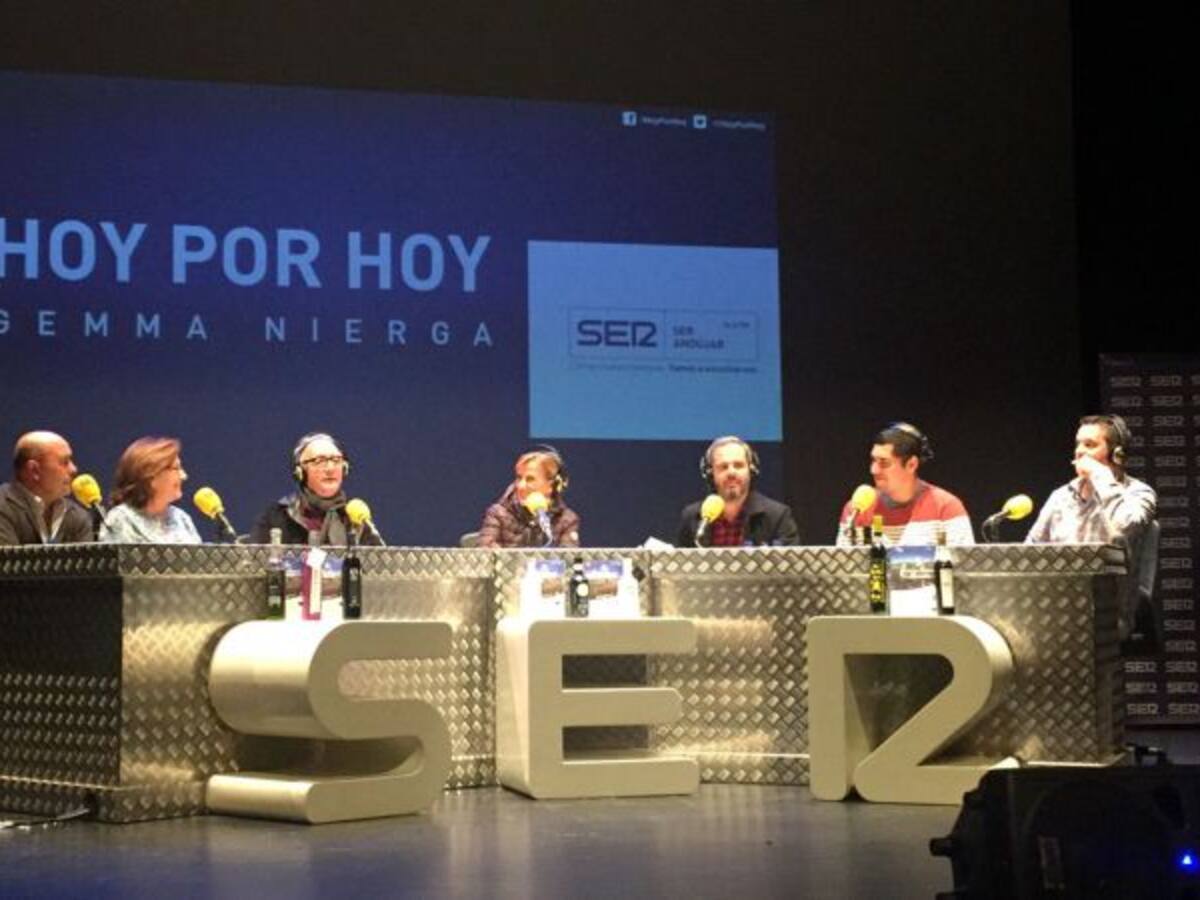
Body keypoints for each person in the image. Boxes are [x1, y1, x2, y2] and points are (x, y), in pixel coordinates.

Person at [1025, 414, 1157, 639]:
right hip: (1056, 613)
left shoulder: (1139, 493)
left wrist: (1100, 476)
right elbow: (1030, 551)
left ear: (1117, 454)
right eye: (1078, 444)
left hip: (1108, 617)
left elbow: (1125, 526)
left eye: (1090, 445)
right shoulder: (1060, 496)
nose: (1079, 452)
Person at [837, 422, 973, 546]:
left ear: (911, 464)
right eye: (873, 460)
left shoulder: (946, 507)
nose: (873, 470)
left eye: (884, 463)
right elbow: (840, 563)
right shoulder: (857, 510)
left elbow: (965, 563)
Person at [249, 432, 384, 545]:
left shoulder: (356, 518)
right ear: (300, 472)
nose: (330, 468)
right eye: (319, 461)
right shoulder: (276, 517)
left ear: (345, 469)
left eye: (336, 460)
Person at [676, 435, 798, 547]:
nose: (731, 473)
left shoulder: (777, 516)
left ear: (751, 470)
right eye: (723, 467)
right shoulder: (693, 518)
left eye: (738, 465)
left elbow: (791, 563)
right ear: (710, 474)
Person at [99, 436, 202, 544]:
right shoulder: (121, 519)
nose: (184, 476)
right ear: (152, 475)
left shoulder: (181, 519)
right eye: (176, 468)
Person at [0, 430, 93, 545]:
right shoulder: (3, 508)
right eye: (65, 462)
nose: (73, 469)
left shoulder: (77, 517)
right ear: (34, 470)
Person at [478, 446, 581, 547]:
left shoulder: (567, 520)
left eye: (530, 479)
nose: (521, 486)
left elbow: (568, 555)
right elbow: (486, 550)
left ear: (551, 485)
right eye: (519, 478)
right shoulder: (497, 513)